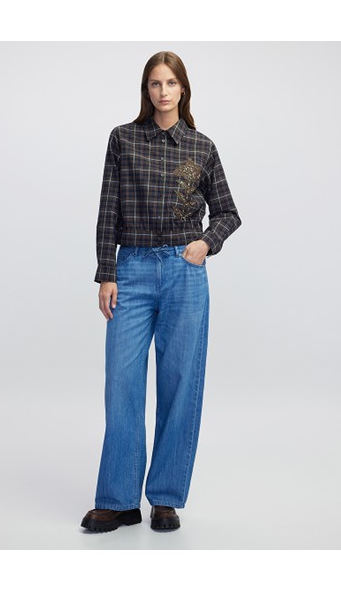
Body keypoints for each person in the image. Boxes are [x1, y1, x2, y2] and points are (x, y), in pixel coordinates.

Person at [81, 51, 242, 533]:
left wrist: (205, 243)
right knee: (122, 384)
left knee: (180, 384)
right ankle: (118, 499)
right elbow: (108, 208)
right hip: (131, 269)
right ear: (146, 90)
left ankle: (166, 499)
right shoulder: (123, 138)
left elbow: (228, 212)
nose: (163, 91)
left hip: (183, 273)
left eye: (171, 83)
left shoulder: (202, 146)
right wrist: (106, 272)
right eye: (155, 83)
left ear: (183, 88)